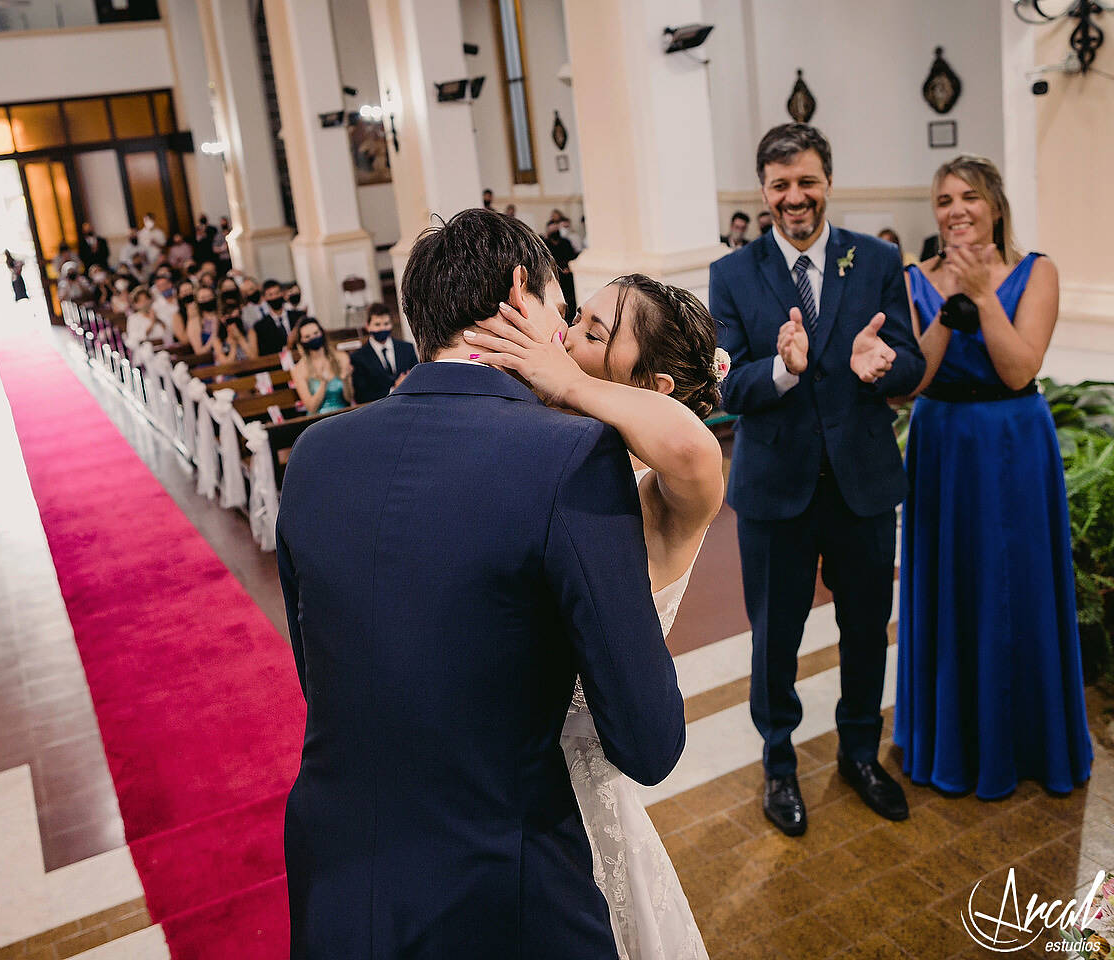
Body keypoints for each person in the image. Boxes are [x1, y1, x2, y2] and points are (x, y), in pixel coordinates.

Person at [276, 208, 684, 958]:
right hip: (501, 900)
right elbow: (649, 742)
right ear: (521, 294)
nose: (562, 342)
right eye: (561, 315)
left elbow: (323, 676)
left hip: (338, 886)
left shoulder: (315, 455)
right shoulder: (570, 457)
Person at [467, 273, 726, 960]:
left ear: (656, 387)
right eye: (572, 320)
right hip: (492, 785)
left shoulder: (665, 505)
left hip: (583, 798)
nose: (563, 341)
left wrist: (566, 378)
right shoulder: (548, 454)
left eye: (592, 334)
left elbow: (697, 450)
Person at [710, 122, 925, 837]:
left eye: (806, 181)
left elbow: (913, 360)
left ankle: (860, 753)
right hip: (776, 490)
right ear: (763, 191)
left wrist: (885, 365)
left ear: (827, 180)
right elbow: (724, 386)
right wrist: (781, 369)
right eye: (780, 185)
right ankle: (779, 765)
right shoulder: (733, 274)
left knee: (867, 629)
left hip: (862, 483)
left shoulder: (877, 259)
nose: (794, 197)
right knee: (777, 637)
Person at [895, 155, 1092, 800]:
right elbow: (915, 380)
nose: (956, 210)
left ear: (996, 206)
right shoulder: (912, 279)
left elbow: (1017, 368)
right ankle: (949, 742)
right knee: (950, 587)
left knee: (1016, 586)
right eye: (944, 200)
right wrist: (951, 310)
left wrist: (982, 297)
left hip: (1012, 445)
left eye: (969, 197)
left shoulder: (1037, 273)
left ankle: (1028, 742)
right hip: (942, 445)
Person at [349, 302, 417, 403]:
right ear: (367, 326)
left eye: (386, 324)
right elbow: (361, 396)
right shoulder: (358, 357)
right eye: (377, 324)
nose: (382, 328)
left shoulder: (407, 348)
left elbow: (417, 379)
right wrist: (394, 389)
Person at [290, 318, 353, 415]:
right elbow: (311, 407)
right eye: (307, 337)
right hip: (318, 419)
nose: (313, 338)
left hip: (343, 414)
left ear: (322, 333)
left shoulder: (341, 357)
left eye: (316, 333)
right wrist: (323, 383)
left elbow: (349, 398)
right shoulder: (299, 369)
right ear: (301, 341)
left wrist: (345, 380)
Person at [545, 217, 579, 319]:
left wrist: (568, 267)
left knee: (571, 302)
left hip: (568, 277)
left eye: (556, 230)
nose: (555, 232)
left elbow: (572, 257)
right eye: (552, 230)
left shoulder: (566, 242)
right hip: (555, 278)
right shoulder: (545, 244)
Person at [253, 280, 296, 355]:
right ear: (264, 298)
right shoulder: (260, 327)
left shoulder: (298, 316)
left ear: (282, 293)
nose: (275, 297)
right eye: (270, 295)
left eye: (277, 293)